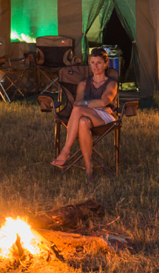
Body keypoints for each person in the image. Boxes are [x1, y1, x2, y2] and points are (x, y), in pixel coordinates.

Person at [51, 47, 119, 180]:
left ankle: (66, 151)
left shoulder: (111, 83)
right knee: (82, 122)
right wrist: (96, 105)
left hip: (106, 118)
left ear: (106, 64)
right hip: (87, 116)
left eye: (99, 62)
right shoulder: (83, 83)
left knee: (78, 110)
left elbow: (105, 101)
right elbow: (77, 103)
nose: (96, 66)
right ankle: (89, 168)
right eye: (92, 62)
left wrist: (88, 104)